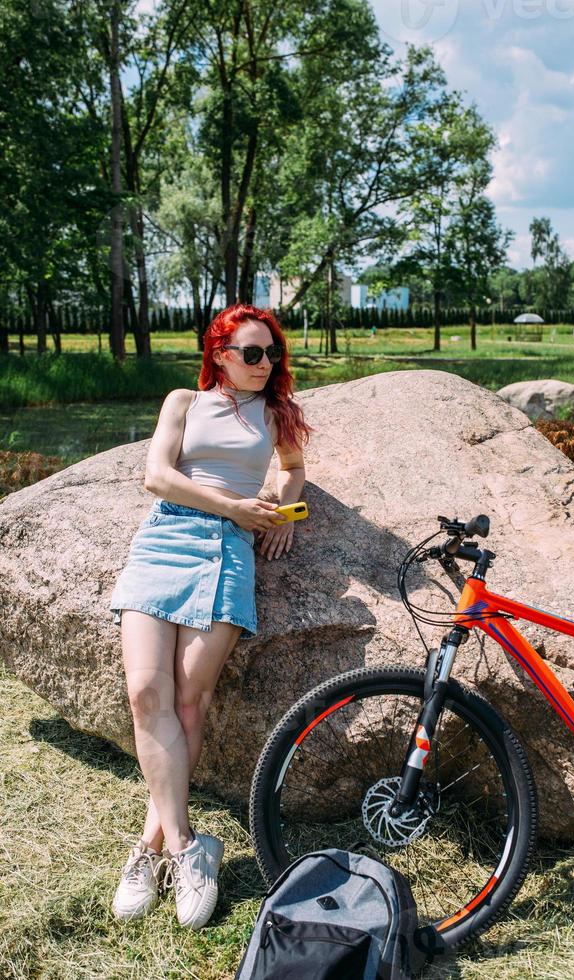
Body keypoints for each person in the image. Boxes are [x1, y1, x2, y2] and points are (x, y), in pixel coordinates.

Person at [108, 303, 313, 929]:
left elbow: (295, 468)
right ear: (219, 354)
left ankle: (150, 848)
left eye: (271, 353)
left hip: (227, 555)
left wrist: (280, 510)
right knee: (147, 692)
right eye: (251, 353)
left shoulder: (275, 412)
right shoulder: (182, 402)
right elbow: (157, 477)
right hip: (165, 541)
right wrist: (234, 506)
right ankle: (188, 848)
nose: (265, 363)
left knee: (190, 701)